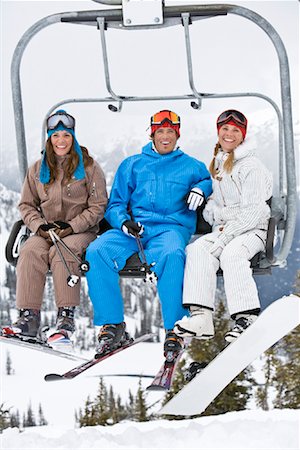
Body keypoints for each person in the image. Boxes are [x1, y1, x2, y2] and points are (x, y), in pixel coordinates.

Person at [86, 109, 212, 355]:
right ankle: (112, 325)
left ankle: (176, 329)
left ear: (177, 135)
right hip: (135, 230)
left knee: (173, 256)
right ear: (152, 134)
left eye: (170, 132)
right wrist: (123, 222)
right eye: (160, 132)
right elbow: (116, 204)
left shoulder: (192, 166)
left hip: (169, 229)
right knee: (97, 251)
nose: (165, 137)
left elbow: (207, 180)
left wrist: (201, 188)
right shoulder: (132, 165)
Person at [174, 109, 273, 342]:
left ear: (243, 135)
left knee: (231, 254)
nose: (229, 134)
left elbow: (253, 212)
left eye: (235, 130)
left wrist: (224, 235)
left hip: (253, 230)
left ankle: (246, 317)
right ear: (218, 132)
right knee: (196, 250)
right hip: (224, 229)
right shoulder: (219, 163)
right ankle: (201, 317)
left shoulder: (251, 167)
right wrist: (215, 214)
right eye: (225, 129)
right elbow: (212, 207)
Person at [10, 110, 108, 341]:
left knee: (63, 250)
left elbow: (98, 206)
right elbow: (26, 205)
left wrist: (72, 226)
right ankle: (29, 317)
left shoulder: (90, 168)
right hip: (47, 230)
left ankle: (65, 317)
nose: (61, 141)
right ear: (49, 138)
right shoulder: (37, 169)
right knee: (30, 250)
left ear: (73, 138)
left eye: (66, 135)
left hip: (80, 231)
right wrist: (39, 226)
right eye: (56, 136)